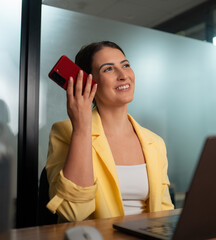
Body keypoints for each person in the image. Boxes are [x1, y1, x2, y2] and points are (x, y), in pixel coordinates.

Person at [46, 41, 174, 222]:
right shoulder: (65, 132)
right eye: (108, 69)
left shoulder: (155, 142)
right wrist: (82, 128)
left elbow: (164, 212)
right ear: (88, 82)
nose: (123, 75)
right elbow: (73, 212)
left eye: (126, 65)